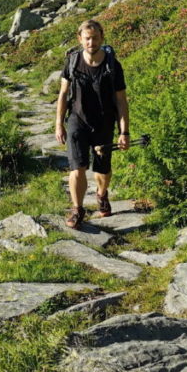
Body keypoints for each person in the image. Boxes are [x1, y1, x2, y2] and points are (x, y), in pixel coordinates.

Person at [54, 19, 129, 228]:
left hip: (104, 122)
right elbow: (63, 94)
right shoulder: (72, 62)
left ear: (102, 37)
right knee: (77, 167)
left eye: (95, 38)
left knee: (102, 170)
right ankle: (78, 209)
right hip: (77, 120)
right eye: (87, 38)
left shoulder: (113, 66)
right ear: (80, 39)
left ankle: (102, 194)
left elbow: (121, 101)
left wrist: (124, 132)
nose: (91, 42)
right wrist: (59, 124)